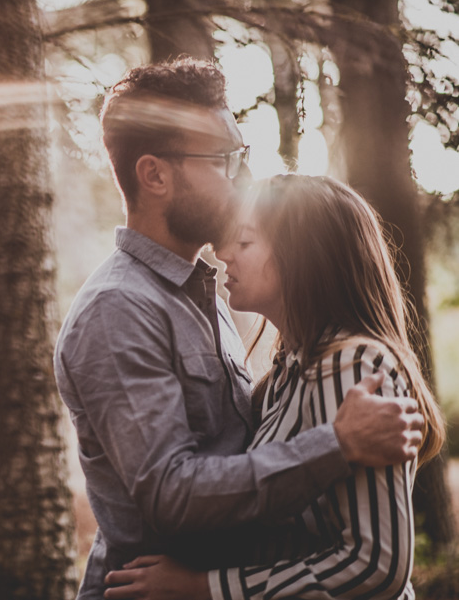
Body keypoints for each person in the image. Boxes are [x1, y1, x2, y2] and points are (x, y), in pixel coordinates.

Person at [53, 57, 425, 600]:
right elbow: (171, 496)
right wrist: (337, 444)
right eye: (224, 159)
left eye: (241, 156)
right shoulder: (119, 309)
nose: (241, 177)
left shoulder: (205, 294)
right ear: (154, 174)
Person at [102, 174, 446, 600]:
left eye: (244, 243)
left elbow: (376, 566)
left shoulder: (353, 365)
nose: (222, 254)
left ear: (302, 256)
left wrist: (204, 588)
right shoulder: (287, 373)